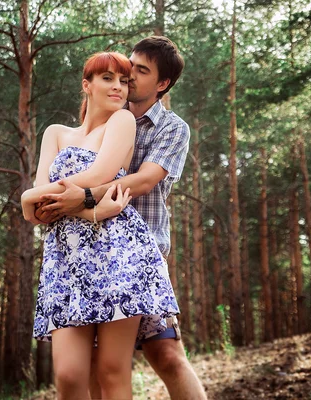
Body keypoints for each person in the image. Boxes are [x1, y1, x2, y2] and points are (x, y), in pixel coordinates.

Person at [35, 36, 208, 400]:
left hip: (134, 254)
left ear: (162, 84)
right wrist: (75, 204)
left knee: (167, 354)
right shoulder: (106, 117)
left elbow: (144, 180)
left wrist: (78, 198)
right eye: (126, 69)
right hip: (81, 254)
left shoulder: (171, 128)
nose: (127, 78)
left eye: (139, 72)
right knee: (91, 367)